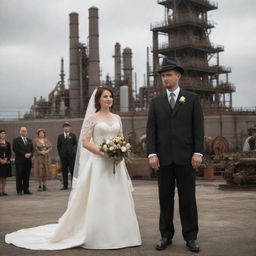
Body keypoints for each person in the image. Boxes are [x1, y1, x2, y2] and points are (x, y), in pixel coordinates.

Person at [5, 85, 141, 250]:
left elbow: (121, 139)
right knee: (100, 197)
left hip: (116, 164)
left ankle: (121, 233)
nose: (108, 99)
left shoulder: (117, 118)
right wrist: (105, 154)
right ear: (98, 99)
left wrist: (120, 154)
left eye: (110, 96)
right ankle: (99, 234)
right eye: (105, 96)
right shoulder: (93, 118)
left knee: (117, 196)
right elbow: (85, 142)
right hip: (99, 163)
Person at [147, 57, 204, 252]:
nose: (165, 78)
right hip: (163, 160)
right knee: (165, 198)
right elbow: (151, 130)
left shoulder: (192, 99)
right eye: (163, 76)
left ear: (178, 76)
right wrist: (152, 154)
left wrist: (198, 152)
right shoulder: (155, 102)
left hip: (186, 158)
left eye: (169, 75)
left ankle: (191, 237)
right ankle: (165, 235)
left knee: (188, 198)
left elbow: (198, 129)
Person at [12, 127, 34, 195]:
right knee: (19, 176)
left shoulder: (29, 140)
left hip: (28, 161)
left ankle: (26, 190)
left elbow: (32, 149)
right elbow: (15, 149)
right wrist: (24, 154)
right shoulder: (16, 140)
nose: (24, 132)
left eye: (25, 131)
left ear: (27, 132)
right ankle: (19, 190)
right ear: (20, 132)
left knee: (26, 176)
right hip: (20, 161)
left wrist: (30, 154)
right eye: (22, 131)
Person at [57, 122, 77, 190]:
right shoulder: (60, 136)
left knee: (72, 171)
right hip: (63, 157)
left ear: (69, 128)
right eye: (65, 127)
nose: (66, 128)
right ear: (63, 128)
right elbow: (58, 146)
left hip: (71, 157)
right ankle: (65, 185)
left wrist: (73, 152)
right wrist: (61, 154)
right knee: (64, 171)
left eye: (67, 127)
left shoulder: (73, 135)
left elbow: (76, 144)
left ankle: (73, 185)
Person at [0, 129, 12, 196]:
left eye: (4, 133)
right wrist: (1, 160)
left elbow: (9, 153)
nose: (3, 135)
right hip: (0, 162)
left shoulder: (8, 143)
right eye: (1, 133)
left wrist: (7, 159)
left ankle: (3, 191)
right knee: (0, 178)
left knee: (4, 177)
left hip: (5, 162)